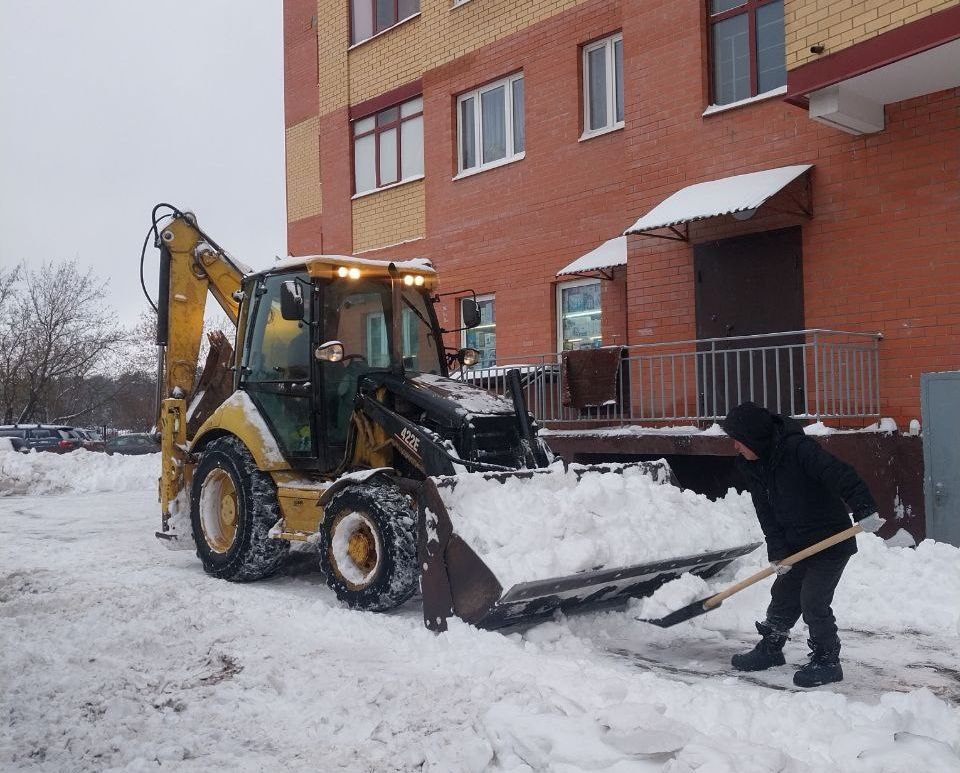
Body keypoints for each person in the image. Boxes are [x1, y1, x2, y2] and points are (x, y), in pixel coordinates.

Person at [720, 402, 885, 687]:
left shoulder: (798, 450)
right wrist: (779, 551)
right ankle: (771, 648)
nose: (735, 446)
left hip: (830, 542)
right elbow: (766, 512)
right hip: (796, 545)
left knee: (813, 601)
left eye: (737, 439)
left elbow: (842, 474)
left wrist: (864, 509)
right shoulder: (752, 465)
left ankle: (828, 660)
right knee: (784, 594)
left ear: (752, 436)